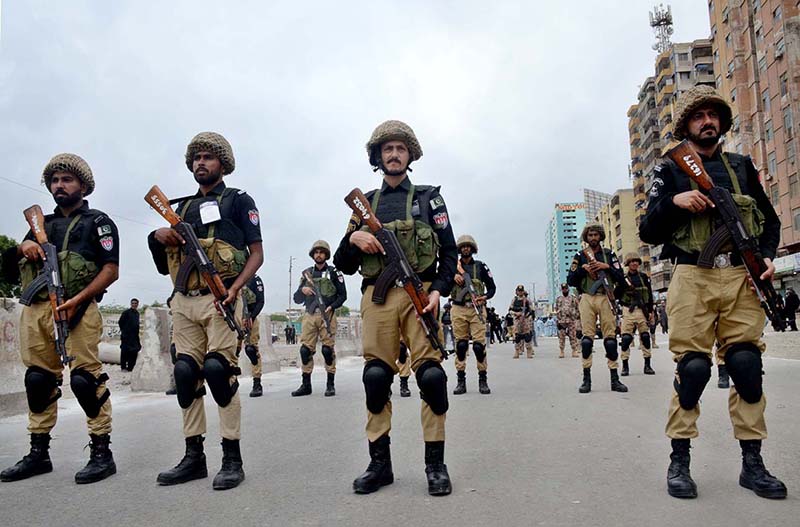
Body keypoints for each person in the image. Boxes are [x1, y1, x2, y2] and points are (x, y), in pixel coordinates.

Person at [640, 85, 786, 499]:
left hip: (741, 277)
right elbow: (648, 230)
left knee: (745, 365)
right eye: (699, 115)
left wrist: (769, 257)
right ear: (686, 124)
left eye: (714, 115)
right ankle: (679, 460)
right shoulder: (670, 170)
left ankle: (752, 463)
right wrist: (675, 202)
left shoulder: (741, 166)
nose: (708, 121)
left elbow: (770, 222)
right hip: (693, 275)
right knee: (694, 369)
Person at [334, 119, 457, 496]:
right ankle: (379, 464)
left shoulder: (427, 199)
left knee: (432, 378)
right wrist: (354, 238)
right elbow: (343, 263)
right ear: (377, 156)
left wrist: (438, 291)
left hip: (421, 293)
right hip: (378, 296)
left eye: (400, 148)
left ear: (410, 155)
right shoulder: (365, 204)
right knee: (375, 377)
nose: (393, 154)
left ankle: (435, 465)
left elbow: (449, 253)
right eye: (387, 148)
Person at [148, 132, 263, 490]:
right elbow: (161, 263)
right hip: (184, 299)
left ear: (223, 164)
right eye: (196, 157)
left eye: (209, 157)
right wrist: (157, 237)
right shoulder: (178, 208)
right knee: (185, 372)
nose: (201, 162)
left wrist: (235, 288)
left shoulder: (238, 201)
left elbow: (257, 254)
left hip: (221, 298)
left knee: (218, 371)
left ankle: (232, 458)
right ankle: (193, 456)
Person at [1, 153, 119, 484]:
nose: (59, 185)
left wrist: (78, 300)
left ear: (83, 184)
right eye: (54, 180)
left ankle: (101, 452)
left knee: (85, 380)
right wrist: (23, 248)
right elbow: (10, 268)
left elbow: (111, 270)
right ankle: (38, 452)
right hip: (37, 308)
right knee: (38, 380)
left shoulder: (98, 222)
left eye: (67, 179)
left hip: (78, 309)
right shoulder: (41, 225)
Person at [567, 223, 627, 394]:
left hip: (605, 297)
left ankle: (615, 379)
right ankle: (586, 379)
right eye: (590, 235)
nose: (593, 238)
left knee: (610, 340)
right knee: (586, 340)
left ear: (601, 236)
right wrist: (582, 269)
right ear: (586, 238)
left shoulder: (609, 255)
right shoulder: (580, 255)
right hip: (587, 297)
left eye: (596, 235)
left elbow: (621, 278)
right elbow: (570, 280)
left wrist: (606, 267)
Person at [291, 240, 347, 397]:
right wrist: (303, 290)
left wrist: (332, 306)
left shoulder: (334, 272)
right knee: (304, 350)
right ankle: (306, 384)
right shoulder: (307, 274)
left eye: (322, 252)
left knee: (327, 350)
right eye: (316, 252)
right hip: (309, 315)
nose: (319, 254)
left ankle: (330, 384)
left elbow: (343, 295)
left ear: (326, 255)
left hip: (327, 315)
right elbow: (296, 298)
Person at [450, 234, 496, 395]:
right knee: (461, 345)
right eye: (462, 246)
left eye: (468, 246)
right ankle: (460, 380)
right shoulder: (452, 266)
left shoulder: (481, 266)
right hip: (458, 308)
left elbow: (492, 288)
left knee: (478, 346)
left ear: (473, 248)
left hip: (477, 308)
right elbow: (442, 286)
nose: (465, 248)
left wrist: (485, 297)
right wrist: (452, 276)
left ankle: (482, 379)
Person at [615, 253, 655, 376]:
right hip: (628, 310)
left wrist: (650, 311)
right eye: (632, 262)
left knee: (645, 337)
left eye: (636, 261)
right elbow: (616, 294)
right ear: (628, 264)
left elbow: (649, 294)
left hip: (642, 310)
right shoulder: (623, 278)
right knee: (626, 339)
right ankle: (625, 366)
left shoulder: (643, 277)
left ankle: (647, 365)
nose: (634, 264)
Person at [241, 275, 265, 397]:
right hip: (233, 317)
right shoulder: (231, 277)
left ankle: (257, 383)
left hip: (250, 317)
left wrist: (251, 317)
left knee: (251, 350)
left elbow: (260, 301)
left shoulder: (254, 279)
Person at [508, 285, 534, 358]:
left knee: (527, 336)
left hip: (525, 320)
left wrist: (527, 315)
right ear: (516, 291)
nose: (520, 292)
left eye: (521, 291)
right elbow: (510, 310)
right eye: (519, 291)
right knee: (517, 337)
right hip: (517, 320)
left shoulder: (527, 300)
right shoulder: (514, 300)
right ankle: (517, 351)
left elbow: (531, 310)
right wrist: (516, 313)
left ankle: (529, 351)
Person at [118, 298, 141, 371]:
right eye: (133, 303)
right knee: (125, 352)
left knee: (134, 351)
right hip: (126, 336)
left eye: (135, 303)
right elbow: (120, 322)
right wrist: (124, 331)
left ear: (137, 304)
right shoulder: (126, 312)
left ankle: (131, 367)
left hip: (134, 336)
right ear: (131, 304)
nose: (134, 304)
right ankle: (123, 367)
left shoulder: (137, 313)